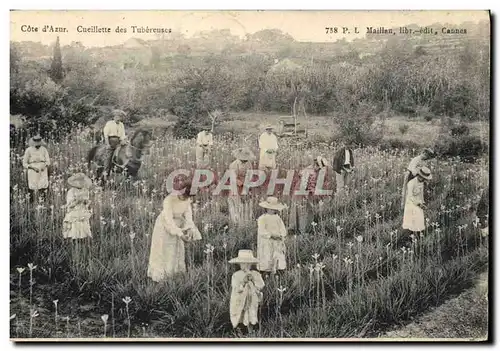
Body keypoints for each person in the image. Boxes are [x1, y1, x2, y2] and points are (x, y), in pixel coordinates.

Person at [147, 182, 202, 282]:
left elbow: (188, 215)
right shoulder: (169, 199)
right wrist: (180, 234)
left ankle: (174, 274)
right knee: (164, 249)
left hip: (178, 224)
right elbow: (169, 219)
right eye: (183, 196)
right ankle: (161, 277)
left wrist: (189, 228)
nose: (185, 199)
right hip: (164, 226)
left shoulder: (187, 199)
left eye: (187, 197)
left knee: (176, 249)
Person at [289, 156, 329, 233]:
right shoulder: (308, 171)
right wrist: (308, 196)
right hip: (301, 192)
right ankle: (301, 229)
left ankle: (306, 228)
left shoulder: (314, 171)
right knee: (302, 209)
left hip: (307, 192)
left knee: (307, 209)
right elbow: (304, 186)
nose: (320, 169)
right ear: (315, 165)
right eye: (319, 167)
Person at [229, 249, 265, 334]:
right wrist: (243, 282)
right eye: (243, 263)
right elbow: (236, 288)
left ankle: (251, 330)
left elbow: (261, 285)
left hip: (252, 298)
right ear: (239, 264)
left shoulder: (255, 274)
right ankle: (240, 330)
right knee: (241, 313)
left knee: (251, 313)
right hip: (240, 299)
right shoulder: (236, 275)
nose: (245, 266)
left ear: (251, 264)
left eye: (248, 264)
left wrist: (253, 281)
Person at [257, 197, 288, 277]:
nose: (271, 210)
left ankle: (278, 274)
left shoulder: (278, 218)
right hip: (267, 241)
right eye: (269, 208)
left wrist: (281, 235)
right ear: (266, 208)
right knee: (267, 257)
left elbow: (283, 229)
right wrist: (270, 235)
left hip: (277, 241)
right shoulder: (262, 218)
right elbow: (261, 231)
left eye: (273, 209)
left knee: (278, 256)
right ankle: (265, 274)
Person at [401, 167, 432, 244]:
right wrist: (418, 204)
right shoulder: (411, 183)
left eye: (425, 178)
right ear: (419, 175)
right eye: (422, 177)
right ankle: (410, 238)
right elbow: (410, 196)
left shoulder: (421, 183)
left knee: (419, 219)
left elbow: (421, 194)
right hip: (411, 203)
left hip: (418, 202)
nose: (423, 179)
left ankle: (418, 236)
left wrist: (422, 202)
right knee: (411, 220)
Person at [227, 148, 256, 226]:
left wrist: (247, 185)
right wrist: (241, 184)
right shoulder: (234, 165)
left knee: (246, 202)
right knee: (236, 203)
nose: (245, 161)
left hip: (246, 185)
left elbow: (250, 174)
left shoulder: (249, 164)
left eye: (246, 159)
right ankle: (235, 222)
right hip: (236, 185)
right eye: (244, 159)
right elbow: (233, 178)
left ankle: (246, 221)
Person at [63, 173, 93, 240]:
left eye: (82, 182)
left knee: (83, 222)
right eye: (79, 182)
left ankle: (83, 237)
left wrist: (86, 202)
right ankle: (74, 238)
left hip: (82, 209)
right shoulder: (71, 191)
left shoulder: (85, 191)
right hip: (74, 209)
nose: (80, 184)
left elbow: (86, 203)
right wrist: (77, 201)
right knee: (75, 222)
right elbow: (69, 205)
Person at [22, 135, 50, 203]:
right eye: (36, 142)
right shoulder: (28, 150)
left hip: (42, 169)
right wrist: (32, 167)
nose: (38, 143)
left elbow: (48, 161)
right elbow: (24, 163)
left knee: (43, 186)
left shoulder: (44, 149)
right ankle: (32, 202)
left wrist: (45, 165)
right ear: (33, 142)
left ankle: (43, 202)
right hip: (32, 170)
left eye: (39, 142)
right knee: (33, 186)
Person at [103, 109, 127, 175]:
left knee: (127, 151)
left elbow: (123, 135)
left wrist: (123, 140)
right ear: (114, 117)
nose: (118, 118)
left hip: (119, 141)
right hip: (111, 140)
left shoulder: (121, 125)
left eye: (120, 117)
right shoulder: (109, 124)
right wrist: (107, 144)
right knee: (109, 156)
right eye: (117, 117)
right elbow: (106, 135)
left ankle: (125, 168)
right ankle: (106, 171)